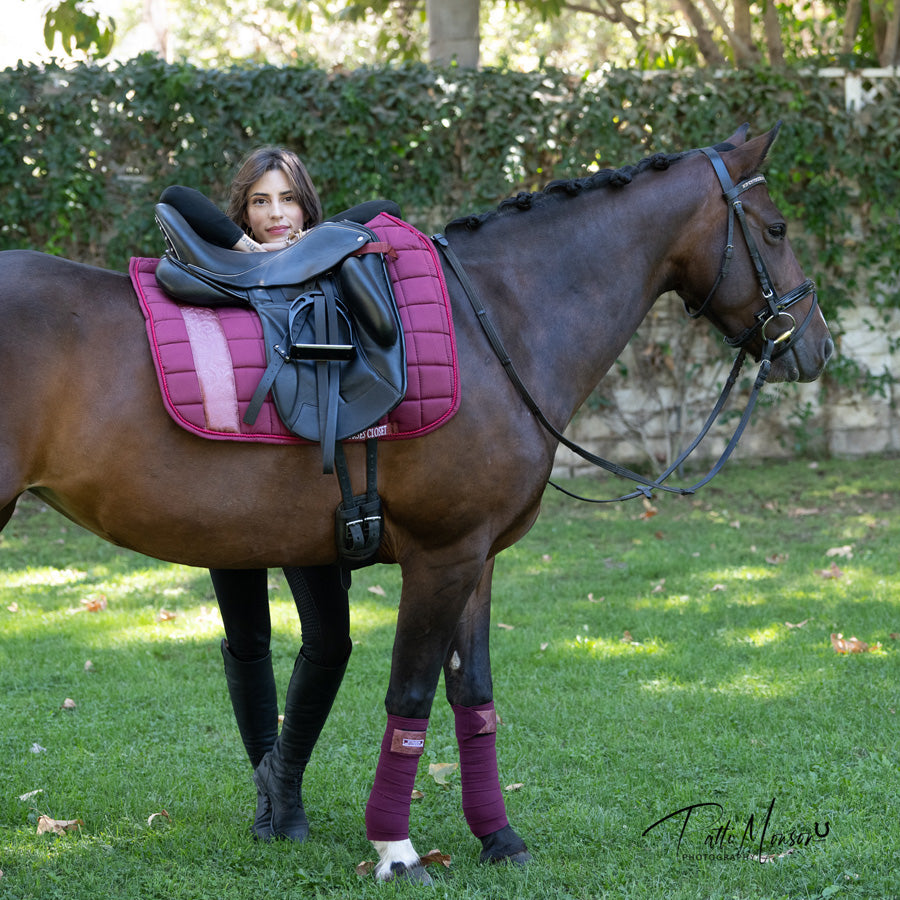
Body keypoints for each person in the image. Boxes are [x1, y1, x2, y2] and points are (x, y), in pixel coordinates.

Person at [161, 147, 350, 843]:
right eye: (261, 201)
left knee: (332, 638)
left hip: (308, 478)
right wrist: (245, 249)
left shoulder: (332, 252)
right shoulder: (228, 263)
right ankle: (273, 791)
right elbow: (180, 191)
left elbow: (380, 217)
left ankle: (284, 777)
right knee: (247, 637)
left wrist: (311, 247)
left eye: (287, 200)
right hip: (234, 475)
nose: (276, 214)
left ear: (307, 205)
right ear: (243, 209)